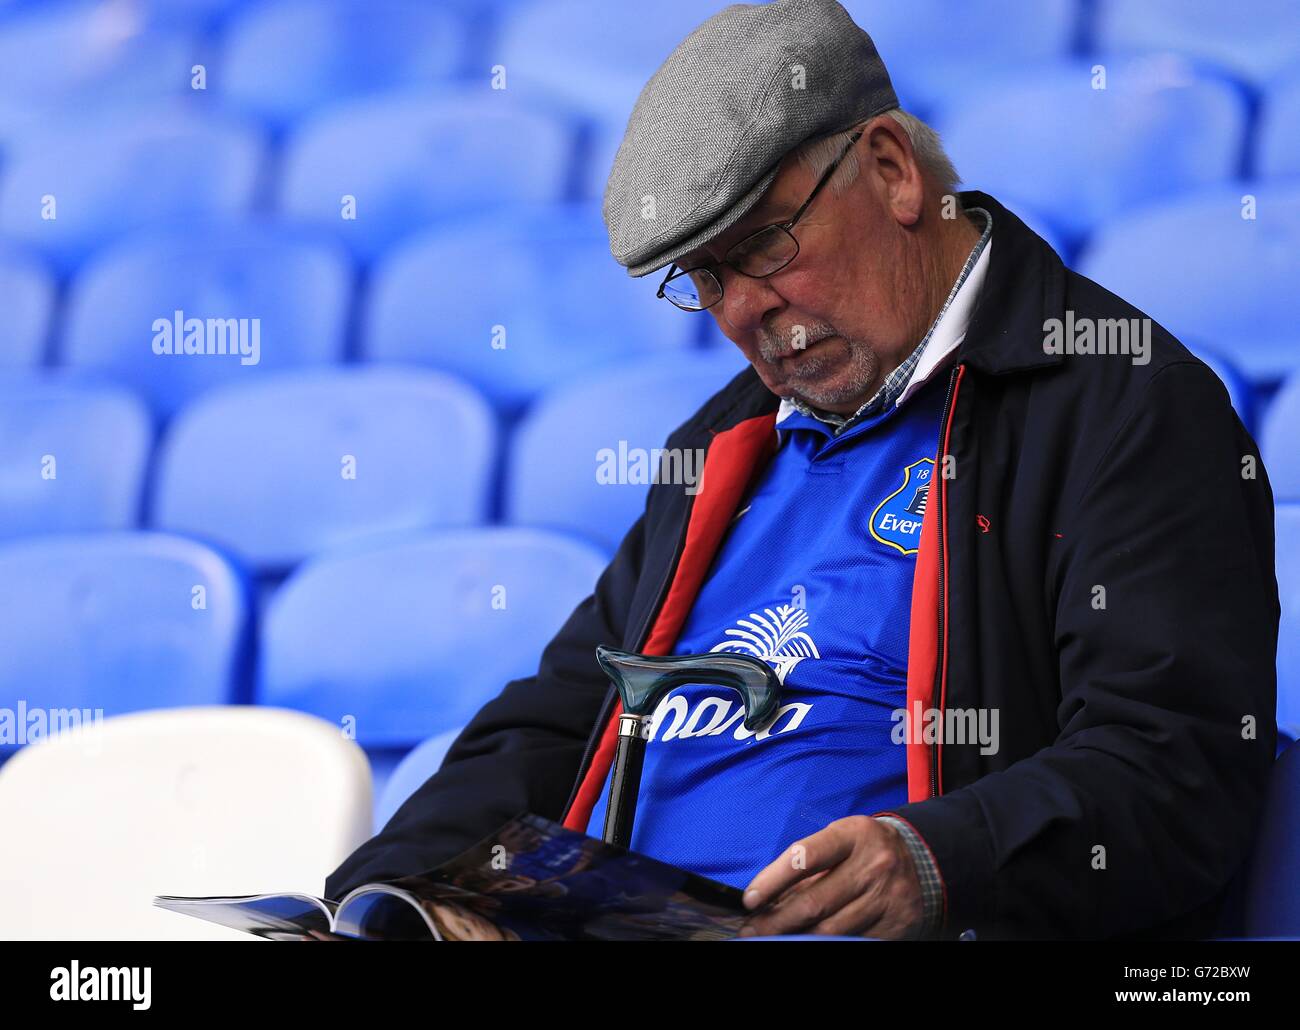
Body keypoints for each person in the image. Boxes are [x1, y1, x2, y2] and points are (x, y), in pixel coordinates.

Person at [324, 0, 1279, 940]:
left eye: (763, 247)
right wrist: (380, 901)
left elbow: (1176, 767)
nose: (743, 312)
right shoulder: (720, 445)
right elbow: (553, 721)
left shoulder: (1123, 405)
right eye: (705, 280)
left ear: (893, 172)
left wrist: (936, 861)